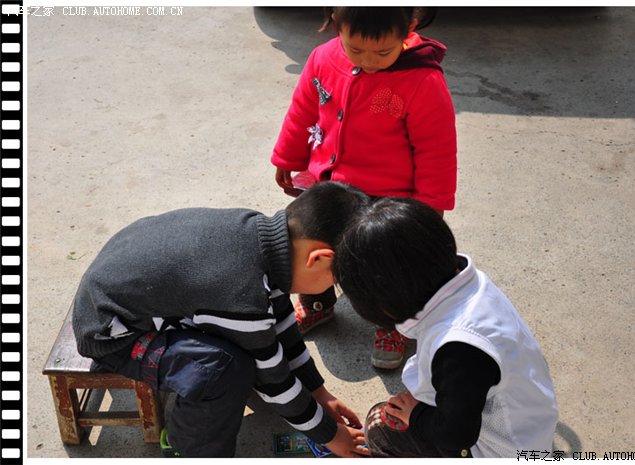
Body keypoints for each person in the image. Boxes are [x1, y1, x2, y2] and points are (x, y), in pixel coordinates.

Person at [71, 181, 370, 458]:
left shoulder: (262, 238)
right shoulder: (242, 293)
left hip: (122, 278)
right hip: (111, 333)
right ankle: (185, 448)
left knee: (254, 340)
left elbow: (282, 322)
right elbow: (274, 381)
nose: (332, 286)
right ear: (318, 259)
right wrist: (330, 435)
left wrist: (317, 392)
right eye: (334, 280)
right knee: (221, 371)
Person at [271, 7, 458, 370]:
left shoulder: (422, 81)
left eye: (383, 51)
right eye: (355, 49)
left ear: (409, 29)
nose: (369, 61)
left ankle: (393, 323)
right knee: (310, 243)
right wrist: (287, 156)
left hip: (388, 196)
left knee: (386, 264)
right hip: (327, 185)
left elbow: (436, 149)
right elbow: (303, 110)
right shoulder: (322, 58)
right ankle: (317, 302)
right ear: (336, 24)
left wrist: (430, 205)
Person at [332, 197, 559, 458]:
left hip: (503, 452)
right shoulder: (469, 285)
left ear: (387, 303)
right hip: (532, 426)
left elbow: (456, 434)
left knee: (379, 427)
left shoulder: (458, 350)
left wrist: (416, 415)